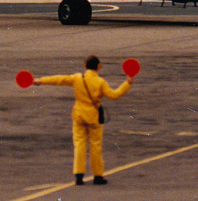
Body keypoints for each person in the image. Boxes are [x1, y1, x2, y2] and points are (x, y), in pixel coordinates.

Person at [34, 55, 133, 186]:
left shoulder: (77, 78)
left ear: (85, 66)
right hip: (93, 117)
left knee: (79, 144)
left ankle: (79, 175)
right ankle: (97, 176)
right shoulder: (100, 82)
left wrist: (40, 81)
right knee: (95, 146)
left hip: (79, 116)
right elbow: (114, 95)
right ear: (98, 67)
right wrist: (127, 83)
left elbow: (59, 79)